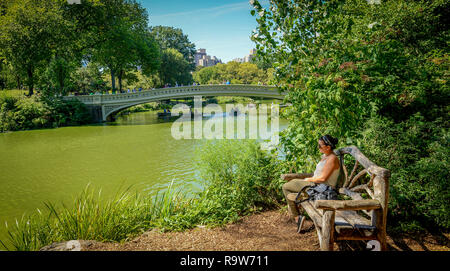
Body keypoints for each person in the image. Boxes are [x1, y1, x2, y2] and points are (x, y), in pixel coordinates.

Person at [282, 135, 340, 233]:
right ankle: (299, 209)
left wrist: (309, 179)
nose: (318, 147)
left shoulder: (332, 159)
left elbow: (323, 178)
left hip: (320, 187)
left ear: (328, 147)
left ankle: (297, 217)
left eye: (320, 145)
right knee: (290, 185)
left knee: (285, 187)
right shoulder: (326, 156)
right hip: (316, 185)